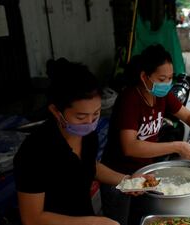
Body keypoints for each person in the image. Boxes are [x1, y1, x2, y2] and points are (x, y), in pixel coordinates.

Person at [13, 58, 143, 225]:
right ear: (56, 111)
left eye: (96, 114)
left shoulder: (88, 135)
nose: (90, 123)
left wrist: (127, 181)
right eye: (80, 117)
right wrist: (93, 222)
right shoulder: (34, 152)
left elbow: (89, 166)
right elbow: (32, 218)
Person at [100, 44, 190, 225]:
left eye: (170, 78)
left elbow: (186, 114)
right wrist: (178, 146)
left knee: (143, 217)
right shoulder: (130, 100)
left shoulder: (162, 95)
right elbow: (130, 146)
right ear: (144, 76)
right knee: (121, 221)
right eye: (162, 78)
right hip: (118, 176)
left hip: (144, 173)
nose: (166, 83)